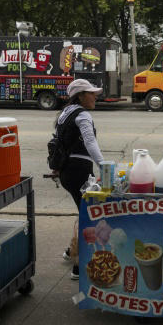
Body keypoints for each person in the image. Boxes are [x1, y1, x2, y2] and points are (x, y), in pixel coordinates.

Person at [53, 78, 105, 280]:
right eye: (91, 93)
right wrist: (104, 166)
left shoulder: (64, 113)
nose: (95, 96)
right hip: (79, 171)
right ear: (80, 96)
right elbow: (90, 143)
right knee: (89, 216)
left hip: (67, 171)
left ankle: (70, 251)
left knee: (83, 212)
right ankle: (78, 267)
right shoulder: (82, 114)